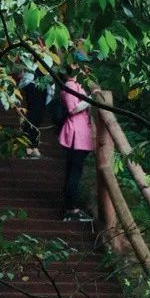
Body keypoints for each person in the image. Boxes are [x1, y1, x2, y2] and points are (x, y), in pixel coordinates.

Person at [57, 68, 95, 222]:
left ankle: (70, 206)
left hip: (80, 132)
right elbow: (73, 109)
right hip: (75, 134)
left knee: (74, 170)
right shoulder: (70, 85)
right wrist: (91, 98)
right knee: (74, 171)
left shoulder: (76, 85)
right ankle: (71, 208)